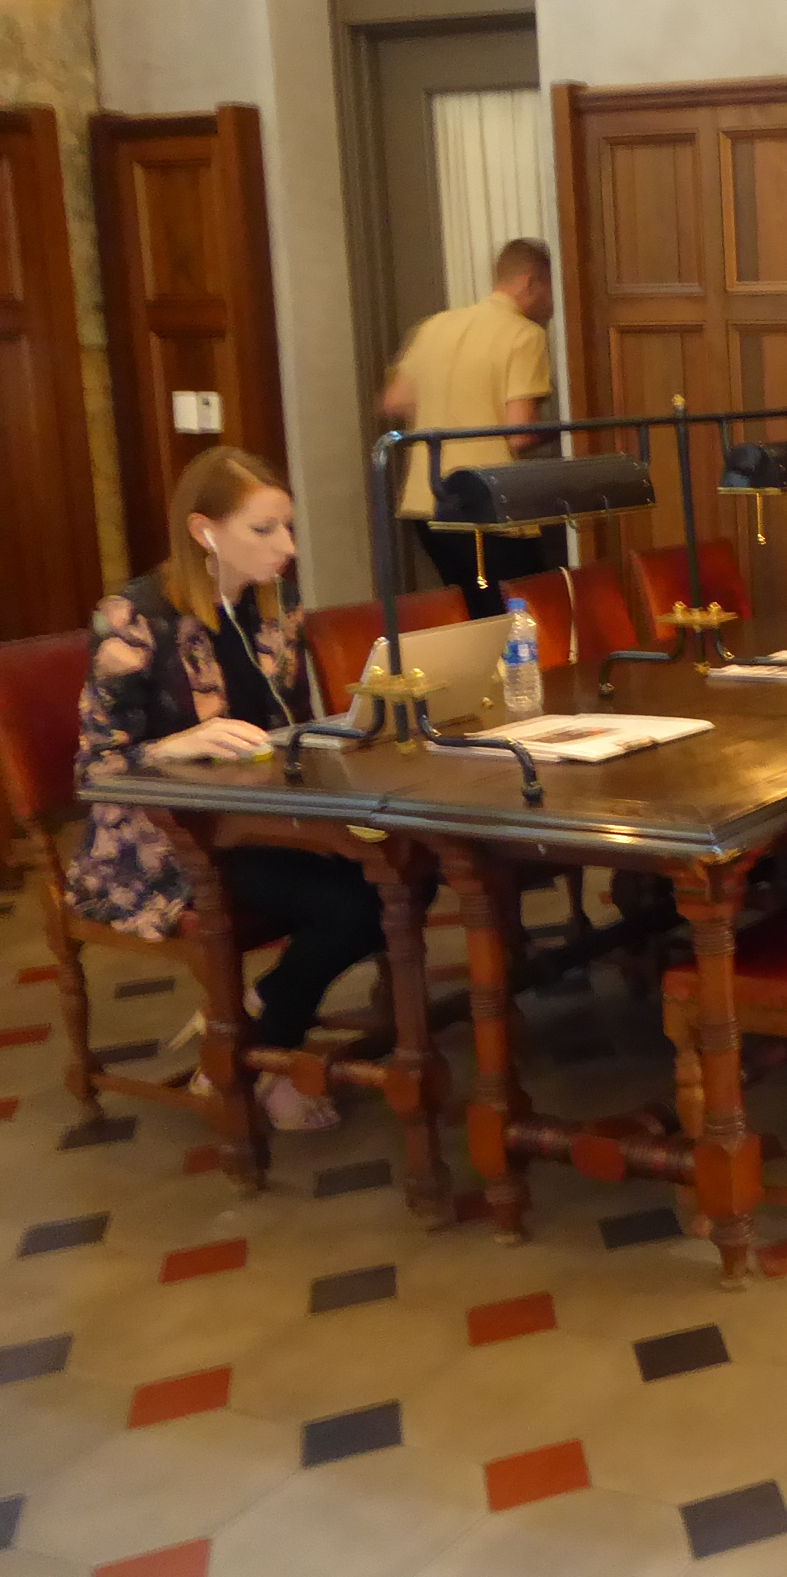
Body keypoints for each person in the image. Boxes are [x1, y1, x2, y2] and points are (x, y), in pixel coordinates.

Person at [66, 446, 393, 1132]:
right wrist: (173, 745)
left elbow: (288, 728)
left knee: (401, 874)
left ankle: (251, 1024)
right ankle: (269, 1060)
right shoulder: (134, 619)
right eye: (264, 529)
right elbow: (94, 769)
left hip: (262, 818)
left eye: (288, 528)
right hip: (166, 842)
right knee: (351, 904)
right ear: (204, 532)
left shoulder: (275, 607)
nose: (288, 548)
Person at [380, 236, 558, 618]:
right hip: (487, 504)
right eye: (551, 288)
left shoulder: (433, 326)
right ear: (532, 282)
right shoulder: (524, 334)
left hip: (426, 501)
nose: (554, 303)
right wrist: (560, 430)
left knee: (469, 614)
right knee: (521, 619)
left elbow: (394, 401)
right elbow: (519, 435)